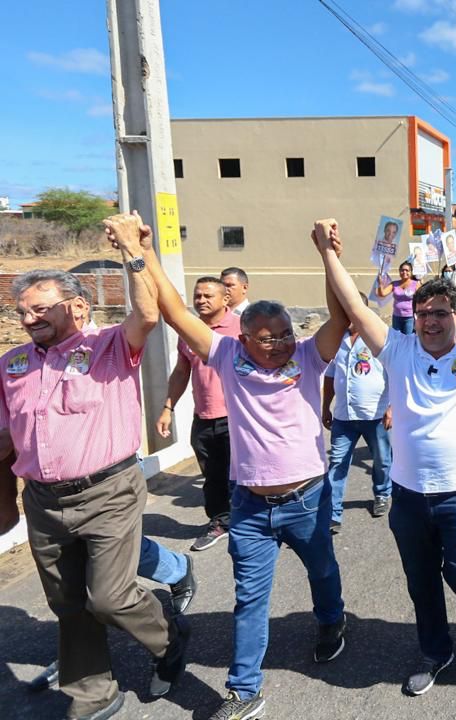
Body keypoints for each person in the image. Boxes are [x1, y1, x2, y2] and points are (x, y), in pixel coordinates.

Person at [138, 218, 350, 720]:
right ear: (244, 337)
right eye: (264, 337)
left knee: (322, 570)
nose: (276, 344)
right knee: (249, 600)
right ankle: (244, 688)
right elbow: (173, 310)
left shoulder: (308, 356)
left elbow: (342, 316)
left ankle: (331, 621)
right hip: (251, 507)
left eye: (282, 335)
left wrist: (326, 252)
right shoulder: (227, 354)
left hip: (307, 499)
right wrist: (143, 251)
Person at [326, 225, 456, 696]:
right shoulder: (397, 351)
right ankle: (435, 651)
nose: (430, 322)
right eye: (423, 314)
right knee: (422, 583)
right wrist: (327, 253)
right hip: (408, 495)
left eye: (440, 313)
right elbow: (356, 309)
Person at [1, 214, 189, 720]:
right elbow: (4, 438)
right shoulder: (12, 364)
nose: (28, 319)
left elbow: (147, 314)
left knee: (108, 597)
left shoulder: (106, 345)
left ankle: (170, 638)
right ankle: (93, 693)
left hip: (108, 491)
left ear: (78, 306)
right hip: (42, 500)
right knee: (68, 606)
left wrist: (131, 248)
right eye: (21, 312)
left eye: (40, 309)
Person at [157, 277, 240, 551]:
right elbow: (181, 372)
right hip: (203, 417)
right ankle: (220, 522)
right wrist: (167, 407)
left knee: (241, 474)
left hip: (237, 418)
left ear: (225, 299)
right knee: (213, 476)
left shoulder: (241, 329)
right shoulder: (189, 332)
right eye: (198, 295)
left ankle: (250, 522)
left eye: (208, 295)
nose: (201, 300)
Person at [322, 292, 393, 529]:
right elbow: (330, 377)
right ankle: (333, 512)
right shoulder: (336, 340)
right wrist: (325, 407)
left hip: (375, 414)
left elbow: (394, 372)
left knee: (382, 460)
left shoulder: (377, 338)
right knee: (337, 464)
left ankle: (382, 494)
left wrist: (392, 407)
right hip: (344, 415)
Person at [376, 261, 419, 335]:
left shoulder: (416, 284)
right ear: (399, 272)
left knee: (407, 338)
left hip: (409, 317)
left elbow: (422, 298)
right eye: (402, 270)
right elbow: (382, 294)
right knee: (396, 338)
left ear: (411, 272)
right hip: (396, 317)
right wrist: (380, 284)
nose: (404, 272)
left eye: (407, 270)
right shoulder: (394, 284)